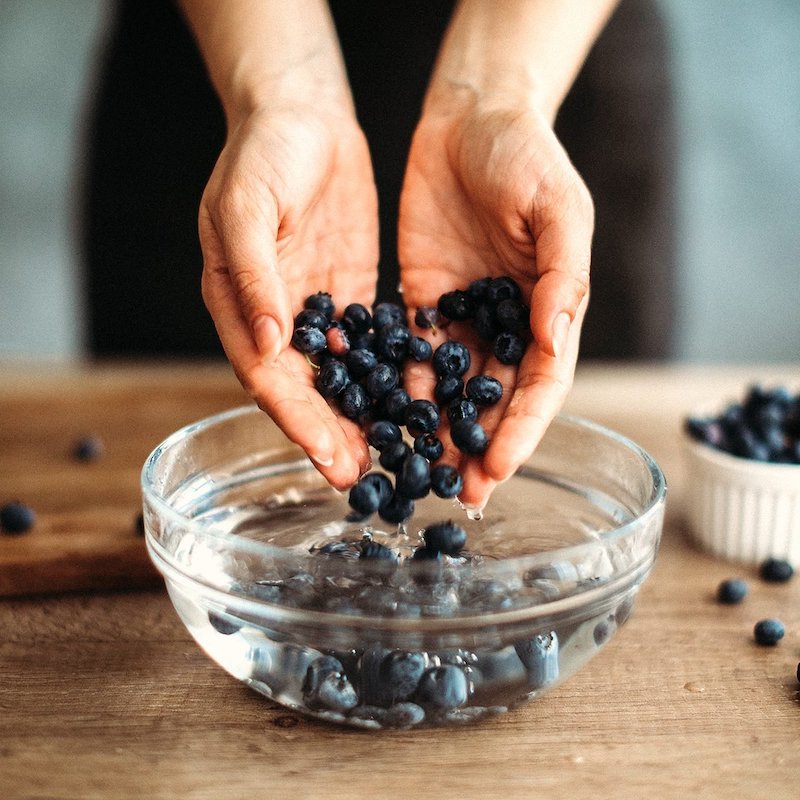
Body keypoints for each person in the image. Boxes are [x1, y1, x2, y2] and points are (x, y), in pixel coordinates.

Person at [169, 0, 620, 508]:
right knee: (234, 324)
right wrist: (282, 91)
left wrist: (499, 95)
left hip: (547, 39)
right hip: (233, 45)